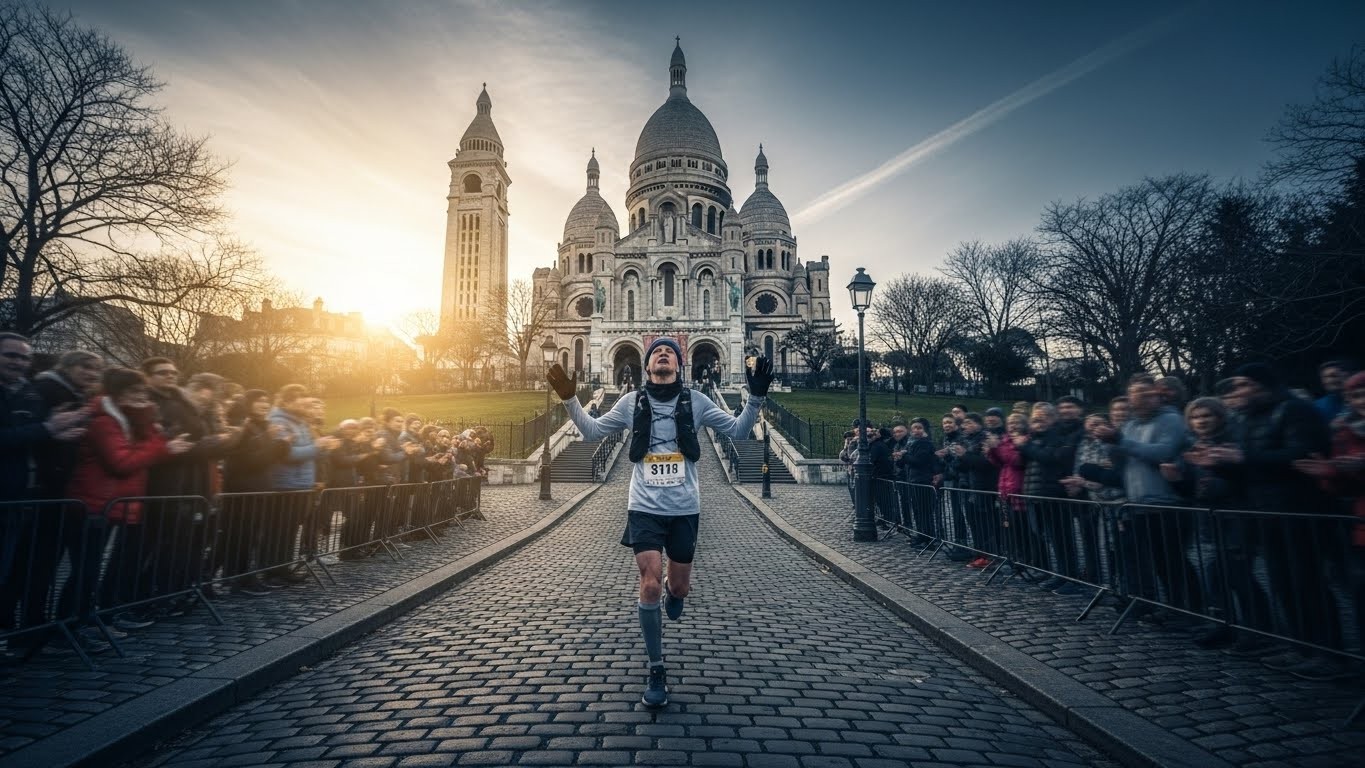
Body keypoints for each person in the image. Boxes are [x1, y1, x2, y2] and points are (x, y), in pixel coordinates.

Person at [547, 337, 771, 709]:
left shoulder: (697, 401)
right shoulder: (630, 402)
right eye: (656, 352)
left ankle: (674, 588)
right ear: (647, 366)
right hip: (644, 506)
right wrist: (570, 399)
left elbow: (738, 431)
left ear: (679, 365)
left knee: (678, 589)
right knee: (647, 583)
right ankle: (656, 667)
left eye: (670, 351)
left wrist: (756, 396)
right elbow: (592, 432)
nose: (663, 354)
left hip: (684, 506)